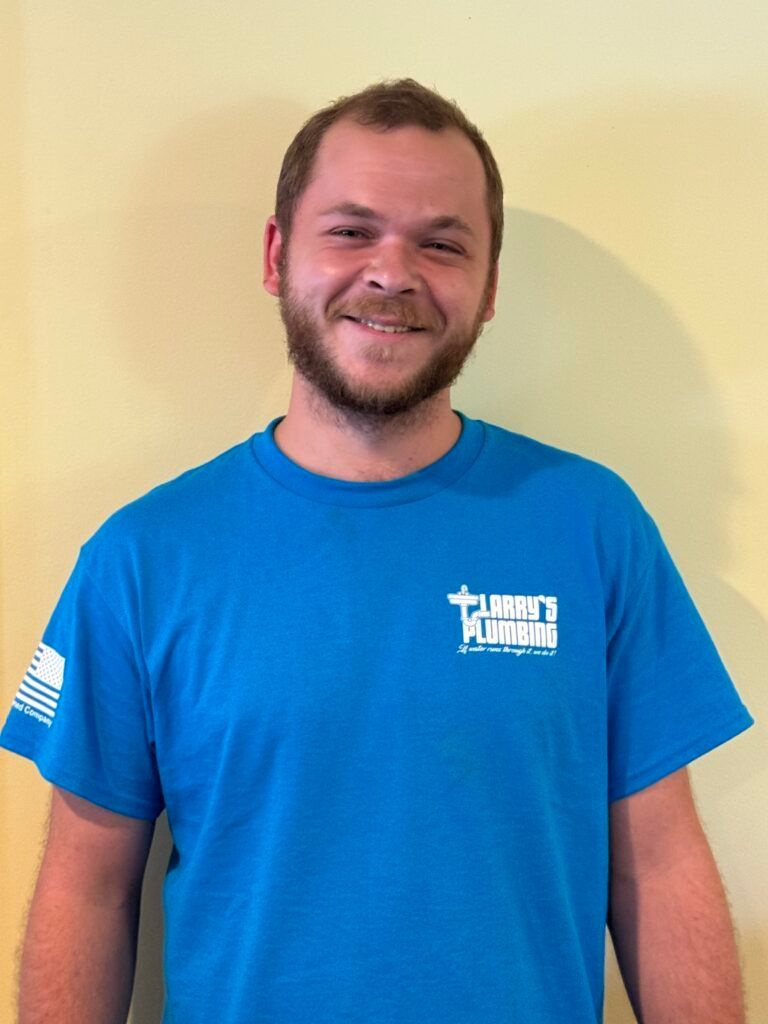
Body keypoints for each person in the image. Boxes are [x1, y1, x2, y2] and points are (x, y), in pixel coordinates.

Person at [1, 79, 753, 1024]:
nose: (392, 273)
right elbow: (86, 890)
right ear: (278, 256)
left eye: (442, 243)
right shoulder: (144, 558)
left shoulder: (592, 526)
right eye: (351, 231)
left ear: (486, 292)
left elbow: (659, 863)